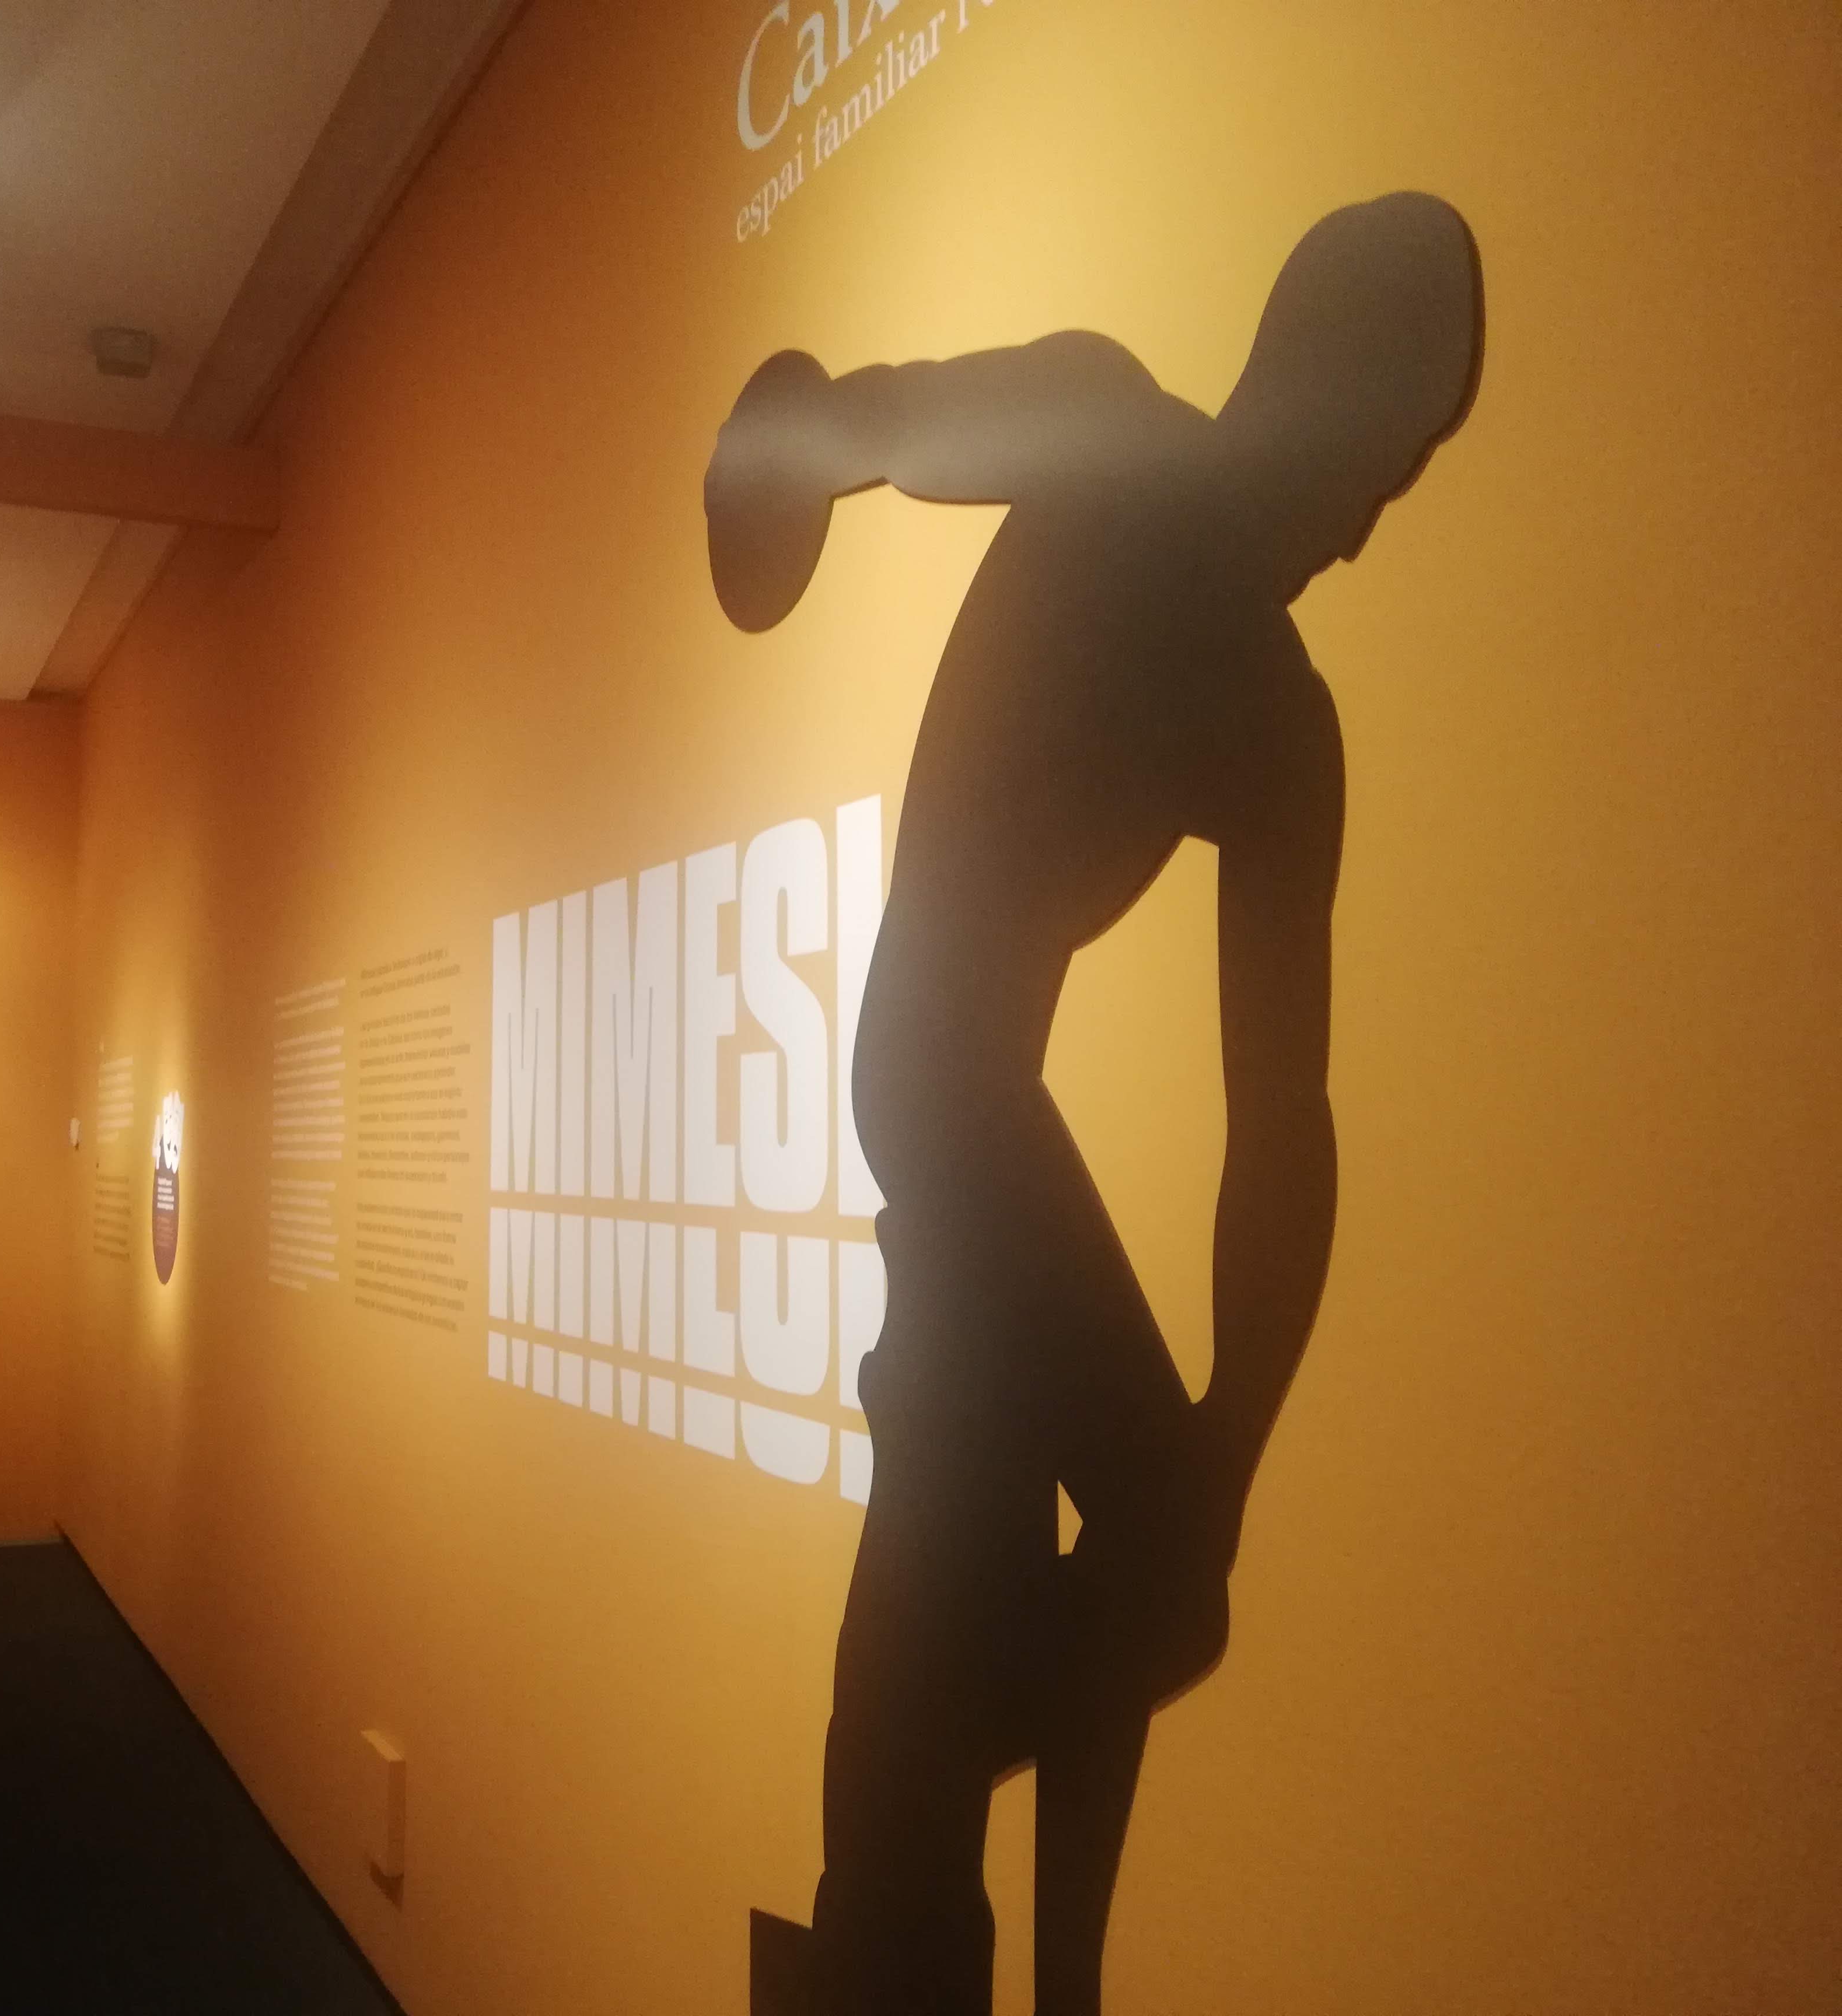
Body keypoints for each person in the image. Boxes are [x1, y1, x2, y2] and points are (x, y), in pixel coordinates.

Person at [707, 194, 1483, 2016]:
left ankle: (952, 1882)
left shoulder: (1279, 719)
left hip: (982, 1098)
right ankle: (932, 1817)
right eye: (1377, 458)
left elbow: (1280, 1128)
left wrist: (1233, 1435)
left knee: (1040, 1542)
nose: (1362, 526)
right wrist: (779, 468)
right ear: (1304, 381)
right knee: (1141, 1566)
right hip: (935, 1075)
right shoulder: (1107, 428)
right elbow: (878, 419)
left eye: (1400, 483)